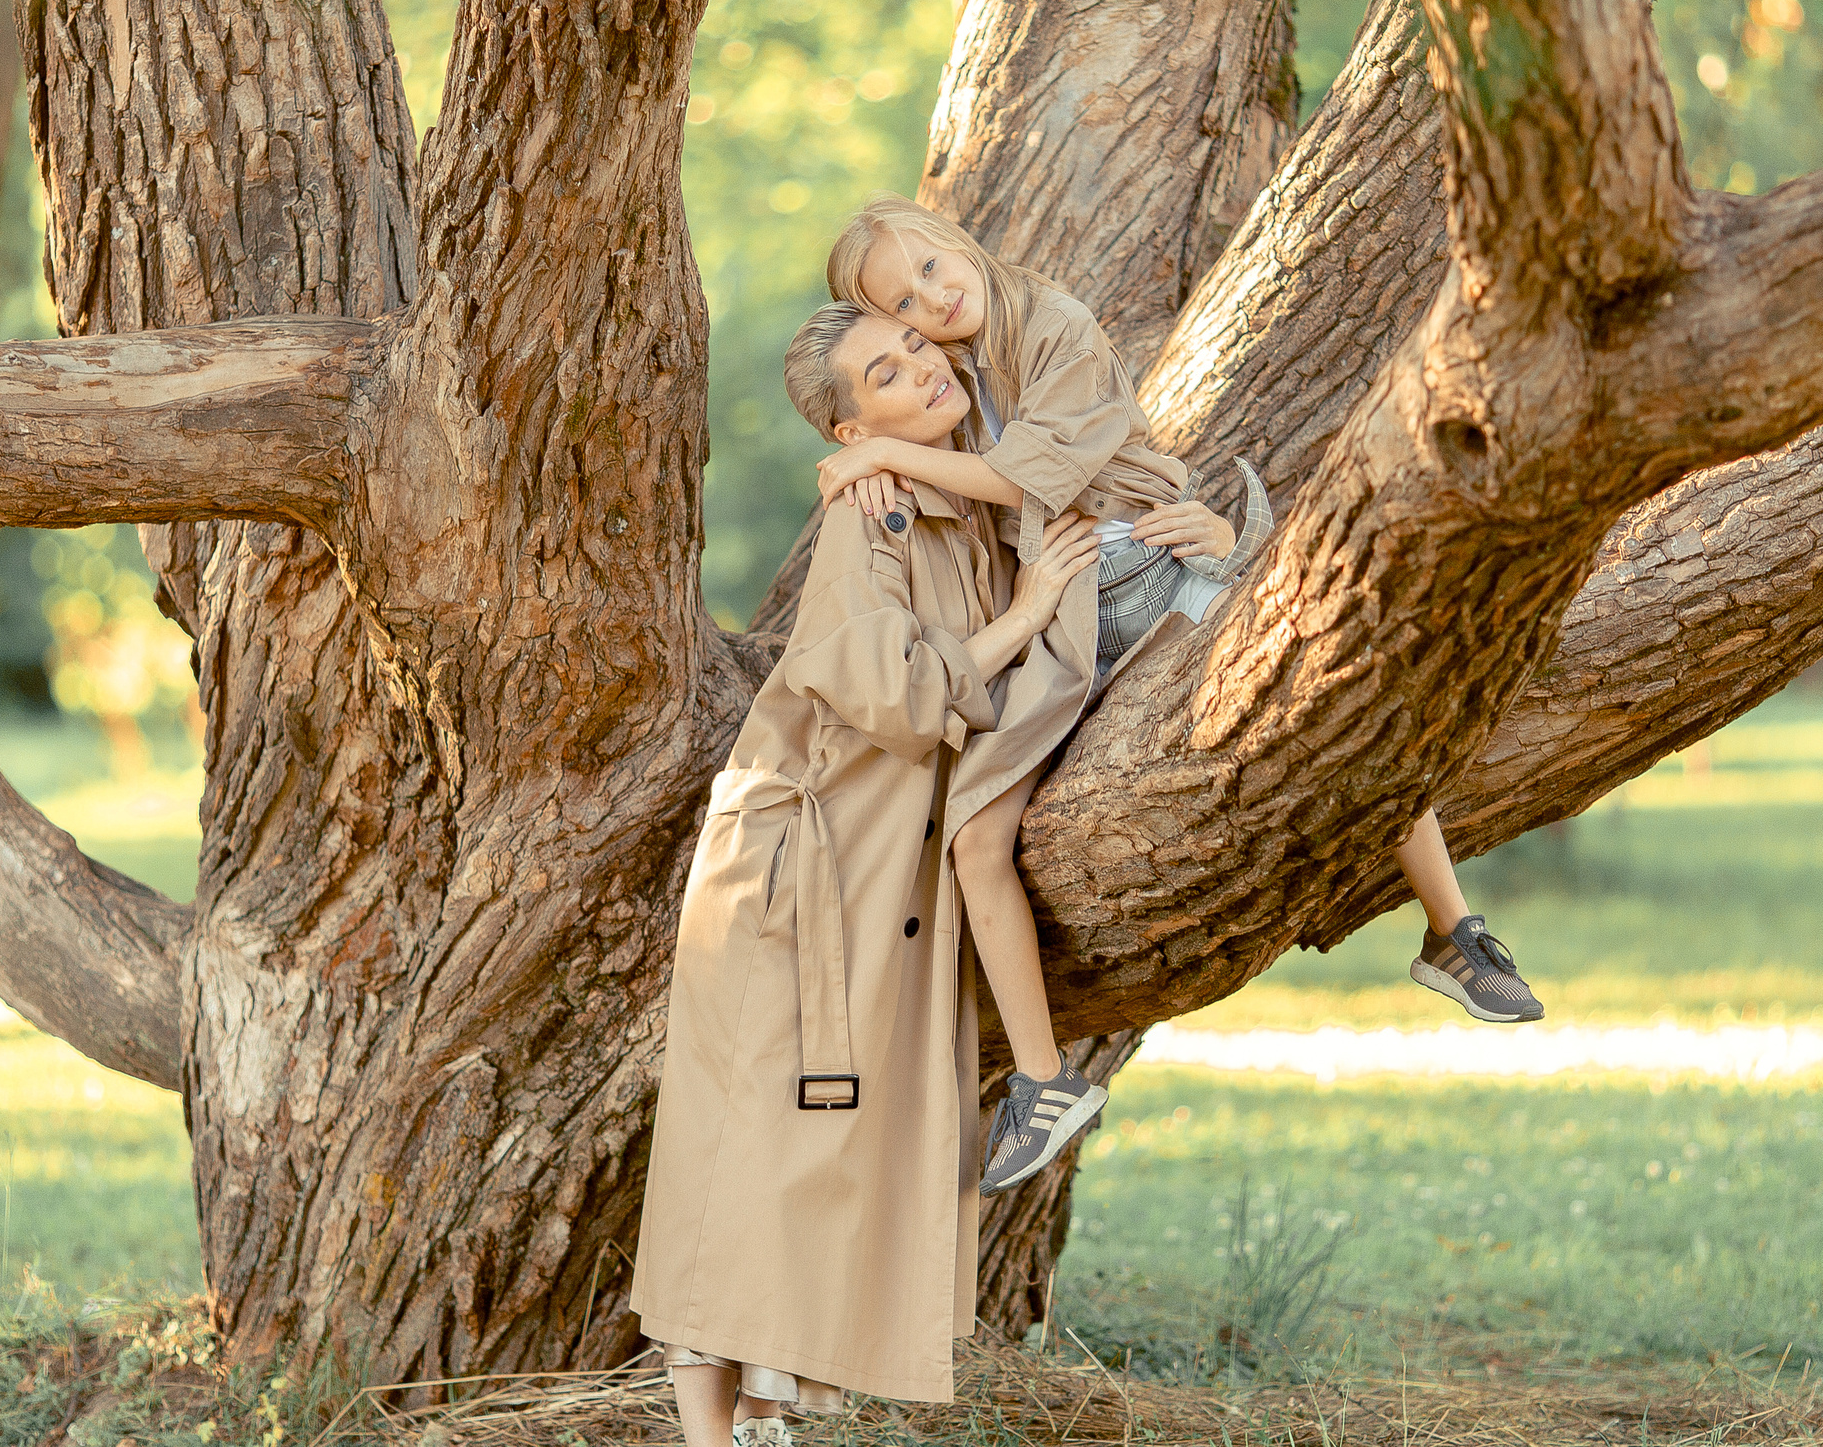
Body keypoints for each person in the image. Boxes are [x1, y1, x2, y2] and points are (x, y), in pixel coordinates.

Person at [822, 195, 1544, 1026]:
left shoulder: (1054, 326)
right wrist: (873, 456)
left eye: (930, 267)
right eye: (903, 305)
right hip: (1066, 624)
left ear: (957, 242)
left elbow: (1033, 476)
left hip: (1151, 575)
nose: (932, 299)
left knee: (1320, 684)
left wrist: (884, 451)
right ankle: (1036, 1074)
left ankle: (1452, 927)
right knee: (977, 834)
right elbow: (868, 399)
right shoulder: (943, 380)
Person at [631, 305, 1104, 1446]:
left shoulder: (954, 494)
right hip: (795, 875)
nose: (923, 370)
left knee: (815, 1156)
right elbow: (881, 691)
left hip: (870, 873)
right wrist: (1030, 611)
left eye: (920, 349)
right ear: (854, 424)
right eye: (886, 374)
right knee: (744, 1150)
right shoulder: (867, 514)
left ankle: (766, 1419)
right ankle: (716, 1436)